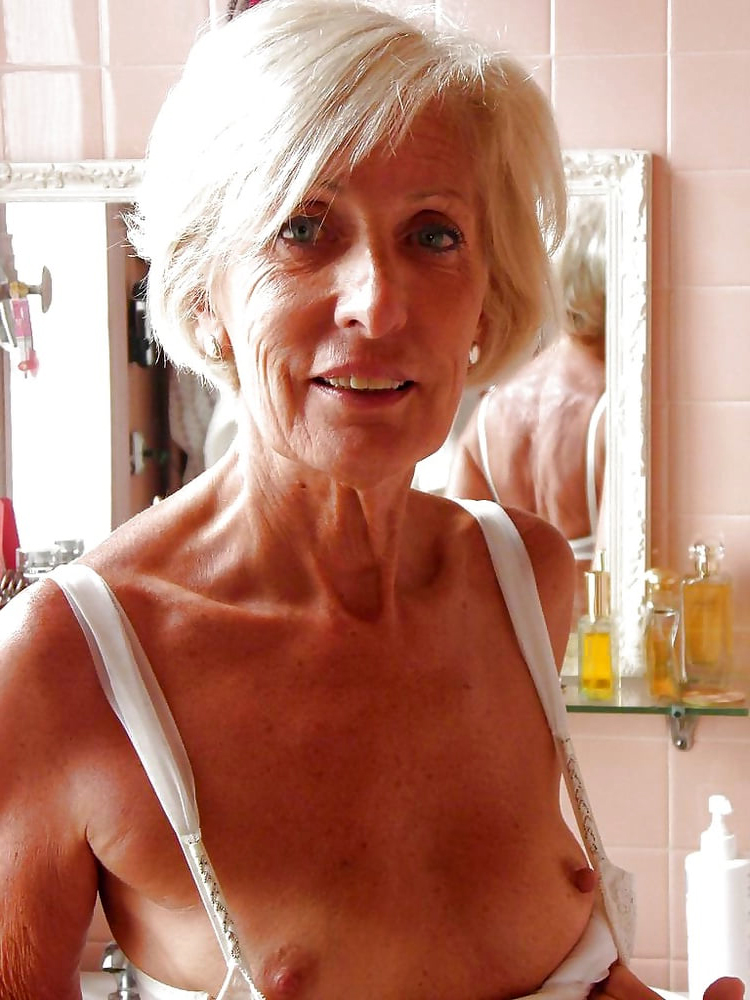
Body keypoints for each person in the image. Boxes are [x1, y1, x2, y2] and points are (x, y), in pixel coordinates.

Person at [0, 3, 744, 1000]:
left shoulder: (524, 581)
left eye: (434, 235)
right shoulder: (67, 667)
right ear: (207, 291)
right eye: (304, 229)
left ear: (485, 300)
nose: (380, 304)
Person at [448, 197, 607, 626]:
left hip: (508, 643)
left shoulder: (490, 413)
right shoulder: (622, 410)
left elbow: (454, 570)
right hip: (593, 646)